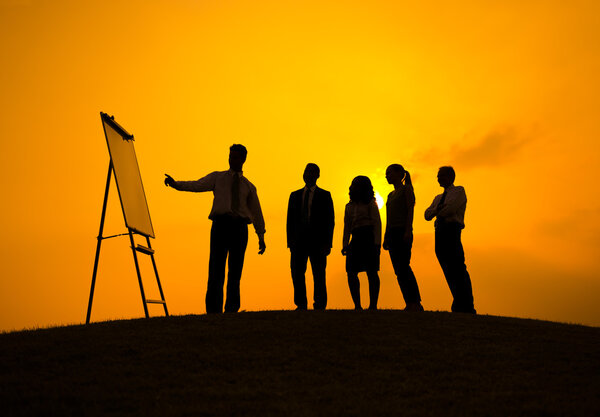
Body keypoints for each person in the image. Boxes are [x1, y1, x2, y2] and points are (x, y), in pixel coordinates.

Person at [164, 144, 266, 314]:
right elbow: (197, 185)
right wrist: (176, 184)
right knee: (216, 269)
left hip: (239, 228)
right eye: (230, 156)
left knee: (235, 271)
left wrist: (261, 236)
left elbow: (256, 211)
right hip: (220, 225)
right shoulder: (218, 178)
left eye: (235, 157)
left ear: (243, 159)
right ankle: (213, 309)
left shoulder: (249, 186)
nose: (231, 159)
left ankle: (232, 309)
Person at [424, 166, 475, 314]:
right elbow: (427, 215)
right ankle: (459, 302)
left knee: (458, 268)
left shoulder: (459, 191)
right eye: (438, 176)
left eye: (442, 175)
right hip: (439, 232)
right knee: (448, 269)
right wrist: (438, 210)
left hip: (452, 230)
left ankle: (466, 304)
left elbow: (450, 209)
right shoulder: (438, 198)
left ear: (451, 177)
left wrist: (437, 211)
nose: (439, 178)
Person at [287, 163, 335, 310]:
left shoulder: (325, 195)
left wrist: (328, 243)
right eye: (305, 172)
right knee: (297, 273)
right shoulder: (294, 195)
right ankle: (301, 304)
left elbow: (329, 221)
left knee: (319, 273)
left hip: (318, 242)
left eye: (311, 172)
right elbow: (290, 220)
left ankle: (319, 304)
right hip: (299, 241)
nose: (307, 174)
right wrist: (290, 242)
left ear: (317, 175)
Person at [383, 164, 424, 312]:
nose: (387, 175)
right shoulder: (389, 195)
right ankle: (409, 302)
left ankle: (415, 302)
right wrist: (386, 236)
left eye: (389, 173)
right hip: (392, 233)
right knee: (398, 270)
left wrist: (408, 230)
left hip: (403, 232)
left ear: (399, 174)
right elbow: (388, 217)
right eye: (386, 173)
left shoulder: (407, 189)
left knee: (404, 267)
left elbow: (410, 210)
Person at [342, 176, 382, 310]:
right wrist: (345, 244)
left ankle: (373, 305)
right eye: (353, 185)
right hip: (356, 239)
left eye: (357, 185)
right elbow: (347, 226)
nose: (354, 187)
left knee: (372, 272)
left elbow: (377, 223)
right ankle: (357, 305)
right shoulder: (348, 206)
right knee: (351, 272)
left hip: (368, 238)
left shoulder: (371, 203)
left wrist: (377, 244)